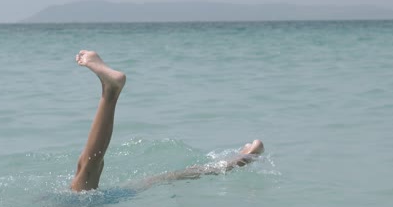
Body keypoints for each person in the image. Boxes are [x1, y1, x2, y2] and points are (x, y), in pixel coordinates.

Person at [71, 50, 264, 192]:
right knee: (87, 168)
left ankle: (235, 162)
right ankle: (110, 91)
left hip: (90, 206)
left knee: (159, 179)